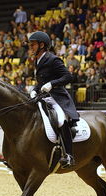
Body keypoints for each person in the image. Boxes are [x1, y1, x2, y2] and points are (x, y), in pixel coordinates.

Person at [28, 31, 79, 168]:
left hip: (56, 97)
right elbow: (41, 82)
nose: (31, 47)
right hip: (43, 97)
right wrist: (34, 90)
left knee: (61, 120)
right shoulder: (37, 61)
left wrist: (52, 84)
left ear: (42, 45)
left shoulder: (53, 59)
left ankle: (69, 155)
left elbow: (68, 77)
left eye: (33, 45)